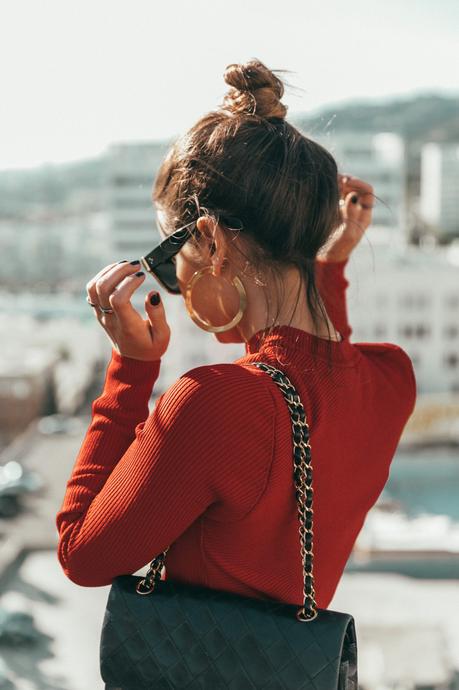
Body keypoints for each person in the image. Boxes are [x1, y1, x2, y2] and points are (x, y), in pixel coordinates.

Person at [55, 60, 416, 611]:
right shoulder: (391, 382)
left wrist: (130, 370)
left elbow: (81, 555)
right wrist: (330, 268)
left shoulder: (213, 402)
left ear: (214, 244)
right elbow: (324, 366)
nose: (172, 282)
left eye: (170, 258)